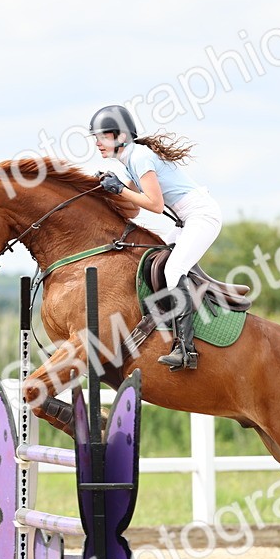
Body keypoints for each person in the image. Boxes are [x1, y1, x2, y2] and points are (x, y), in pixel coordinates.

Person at [89, 104, 222, 372]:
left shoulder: (139, 157)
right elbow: (133, 207)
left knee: (173, 269)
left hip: (201, 216)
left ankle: (186, 350)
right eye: (96, 138)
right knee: (155, 257)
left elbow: (155, 205)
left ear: (121, 137)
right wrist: (106, 190)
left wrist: (120, 190)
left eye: (102, 137)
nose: (97, 144)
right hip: (186, 220)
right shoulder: (126, 161)